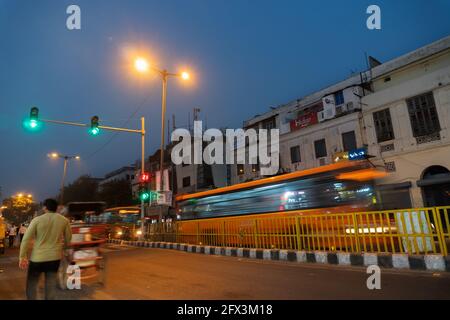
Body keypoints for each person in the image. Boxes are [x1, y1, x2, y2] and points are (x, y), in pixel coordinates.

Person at [19, 199, 72, 300]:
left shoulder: (37, 220)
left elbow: (25, 239)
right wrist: (65, 249)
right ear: (56, 208)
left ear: (45, 208)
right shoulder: (64, 220)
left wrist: (23, 257)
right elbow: (68, 238)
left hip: (37, 258)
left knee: (32, 284)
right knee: (50, 284)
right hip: (54, 258)